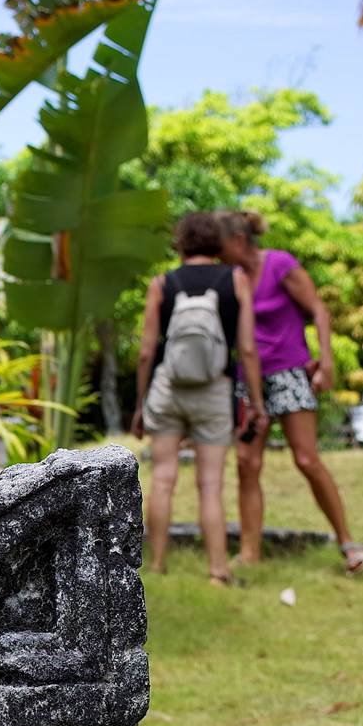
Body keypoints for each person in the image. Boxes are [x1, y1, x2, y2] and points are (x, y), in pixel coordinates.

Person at [216, 210, 363, 574]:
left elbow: (318, 309)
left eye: (220, 245)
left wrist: (327, 361)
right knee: (246, 463)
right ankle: (250, 552)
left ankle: (347, 542)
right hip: (248, 378)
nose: (217, 253)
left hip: (288, 370)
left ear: (238, 240)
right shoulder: (232, 278)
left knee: (306, 459)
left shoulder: (280, 264)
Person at [133, 211, 266, 586]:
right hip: (214, 390)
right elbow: (247, 348)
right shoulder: (235, 279)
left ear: (181, 243)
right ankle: (217, 570)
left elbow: (146, 350)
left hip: (168, 387)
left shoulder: (163, 283)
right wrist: (255, 401)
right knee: (210, 484)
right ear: (215, 242)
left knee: (162, 479)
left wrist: (141, 402)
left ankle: (156, 565)